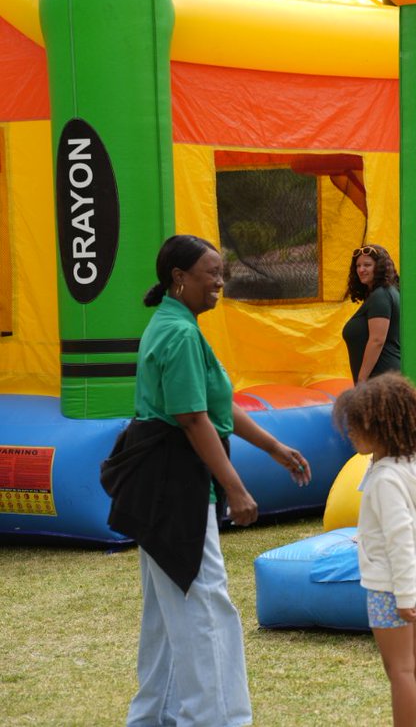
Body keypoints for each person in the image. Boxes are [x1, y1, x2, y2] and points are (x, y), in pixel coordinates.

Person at [103, 234, 311, 727]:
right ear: (179, 277)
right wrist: (235, 488)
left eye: (223, 273)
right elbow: (193, 418)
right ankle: (217, 719)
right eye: (210, 273)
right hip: (173, 480)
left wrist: (275, 447)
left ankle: (157, 716)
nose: (219, 281)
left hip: (161, 478)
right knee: (204, 606)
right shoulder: (178, 333)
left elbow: (217, 405)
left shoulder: (177, 326)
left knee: (169, 608)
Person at [334, 374, 416, 727]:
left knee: (400, 670)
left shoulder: (385, 479)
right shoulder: (410, 467)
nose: (350, 432)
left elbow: (400, 538)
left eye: (358, 425)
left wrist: (404, 595)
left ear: (381, 427)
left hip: (392, 587)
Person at [342, 244, 401, 383]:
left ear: (379, 267)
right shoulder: (385, 293)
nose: (361, 270)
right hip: (384, 380)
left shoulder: (381, 295)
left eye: (367, 265)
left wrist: (362, 379)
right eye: (358, 266)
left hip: (380, 382)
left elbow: (377, 340)